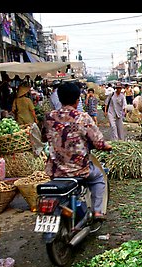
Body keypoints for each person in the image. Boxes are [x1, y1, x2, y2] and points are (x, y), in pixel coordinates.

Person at [41, 82, 113, 220]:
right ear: (77, 99)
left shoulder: (49, 117)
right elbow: (98, 142)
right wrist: (107, 146)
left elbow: (43, 137)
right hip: (79, 169)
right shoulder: (83, 117)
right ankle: (97, 211)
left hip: (55, 170)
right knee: (98, 177)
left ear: (60, 99)